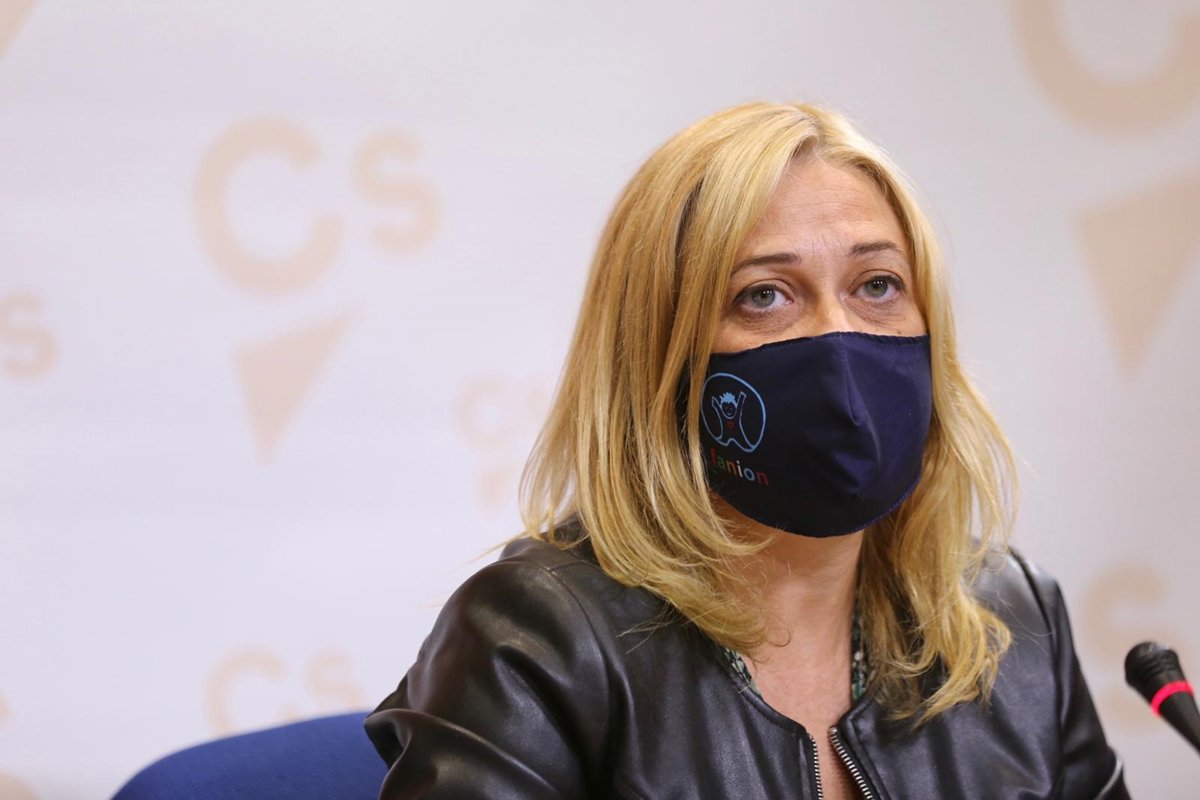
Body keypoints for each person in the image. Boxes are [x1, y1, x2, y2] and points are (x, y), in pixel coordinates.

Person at [366, 102, 1129, 799]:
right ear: (661, 358)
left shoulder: (1011, 617)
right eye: (764, 295)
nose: (838, 340)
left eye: (877, 285)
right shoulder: (537, 637)